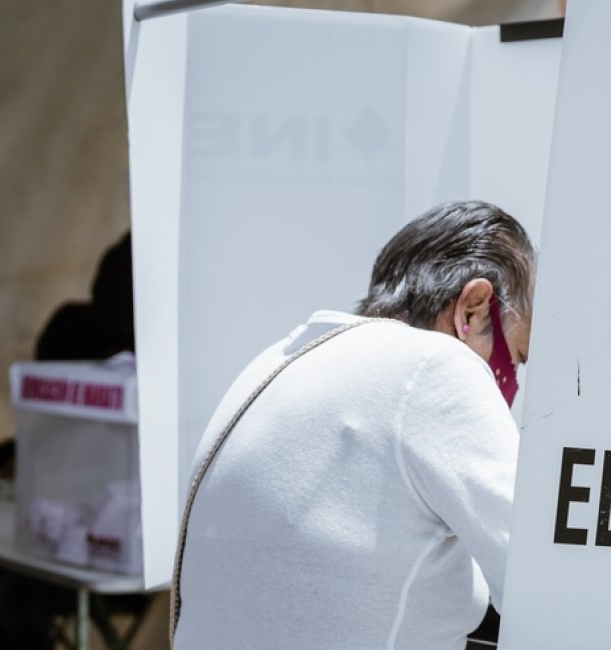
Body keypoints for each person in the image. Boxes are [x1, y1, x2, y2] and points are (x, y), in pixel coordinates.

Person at [172, 201, 534, 650]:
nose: (512, 382)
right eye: (517, 357)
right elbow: (537, 580)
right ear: (474, 310)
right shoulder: (436, 368)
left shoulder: (275, 361)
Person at [0, 232, 146, 650]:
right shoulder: (75, 327)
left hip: (123, 543)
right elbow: (48, 431)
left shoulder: (157, 355)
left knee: (8, 593)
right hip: (60, 527)